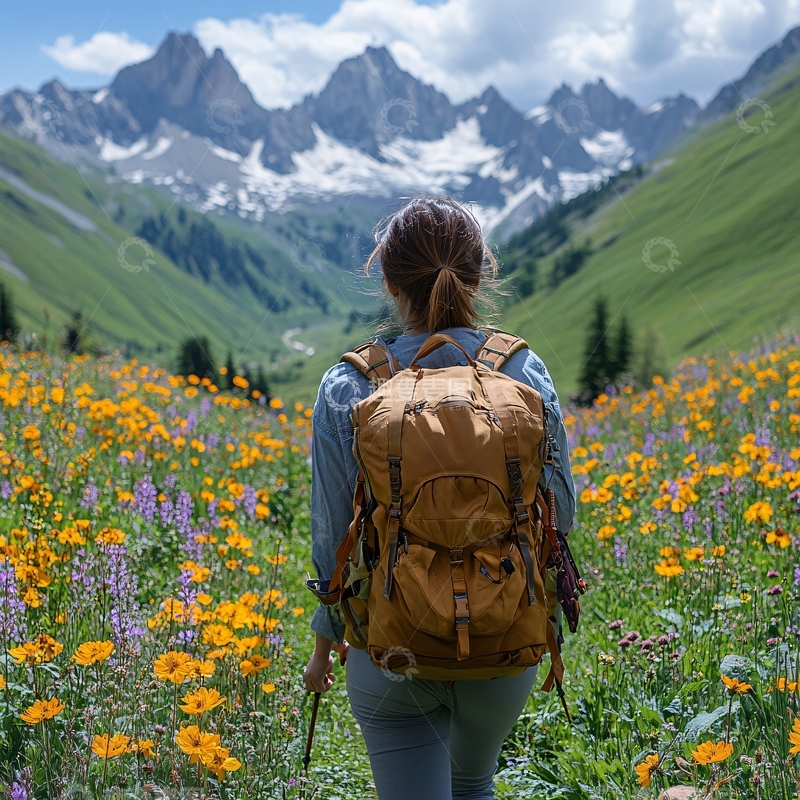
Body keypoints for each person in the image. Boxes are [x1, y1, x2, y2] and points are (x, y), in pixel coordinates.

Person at [303, 195, 576, 800]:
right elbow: (561, 509)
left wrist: (325, 646)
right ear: (480, 275)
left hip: (392, 644)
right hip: (507, 637)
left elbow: (330, 540)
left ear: (387, 279)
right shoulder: (522, 372)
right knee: (474, 782)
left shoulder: (350, 382)